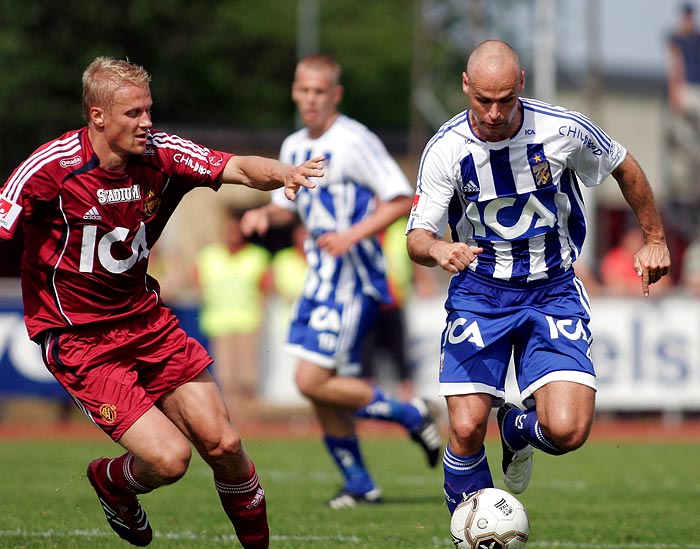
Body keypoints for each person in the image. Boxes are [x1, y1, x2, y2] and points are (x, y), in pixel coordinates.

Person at [0, 56, 323, 548]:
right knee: (170, 460)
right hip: (79, 339)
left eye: (149, 110)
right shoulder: (52, 168)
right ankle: (112, 482)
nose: (147, 122)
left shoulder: (161, 153)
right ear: (97, 115)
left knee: (226, 444)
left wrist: (283, 172)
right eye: (133, 113)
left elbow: (235, 166)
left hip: (147, 322)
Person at [405, 40, 671, 520]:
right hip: (480, 293)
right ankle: (475, 531)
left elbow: (623, 166)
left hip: (553, 291)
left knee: (567, 431)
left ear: (521, 84)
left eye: (505, 99)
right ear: (465, 86)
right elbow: (416, 238)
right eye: (483, 99)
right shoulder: (445, 148)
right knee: (465, 428)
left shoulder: (562, 129)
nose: (492, 112)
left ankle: (515, 430)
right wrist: (440, 247)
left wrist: (654, 237)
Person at [241, 53, 442, 509]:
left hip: (355, 279)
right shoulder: (293, 147)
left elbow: (398, 198)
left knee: (310, 379)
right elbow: (288, 206)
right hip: (320, 279)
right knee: (319, 390)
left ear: (335, 94)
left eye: (319, 91)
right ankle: (360, 484)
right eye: (303, 89)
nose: (310, 99)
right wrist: (262, 213)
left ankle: (413, 414)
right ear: (294, 91)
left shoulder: (354, 141)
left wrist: (351, 235)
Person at [194, 207, 271, 423]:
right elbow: (197, 282)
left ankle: (250, 419)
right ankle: (232, 419)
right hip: (219, 323)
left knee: (248, 377)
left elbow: (265, 287)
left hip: (247, 323)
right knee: (227, 379)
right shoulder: (209, 256)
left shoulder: (257, 256)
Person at [360, 216, 439, 399]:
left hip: (394, 303)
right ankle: (370, 410)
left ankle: (409, 404)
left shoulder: (399, 229)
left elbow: (412, 257)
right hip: (367, 304)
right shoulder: (360, 225)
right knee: (366, 364)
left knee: (401, 361)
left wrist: (423, 280)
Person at [666, 3, 700, 239]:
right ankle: (687, 181)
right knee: (683, 139)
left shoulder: (696, 38)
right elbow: (675, 64)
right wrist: (674, 89)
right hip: (687, 90)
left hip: (697, 89)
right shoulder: (677, 38)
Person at [600, 225, 673, 296]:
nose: (636, 243)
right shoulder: (614, 257)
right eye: (633, 239)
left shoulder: (652, 258)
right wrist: (639, 287)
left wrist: (630, 286)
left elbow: (664, 283)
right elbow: (612, 283)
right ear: (625, 239)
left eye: (639, 239)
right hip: (620, 303)